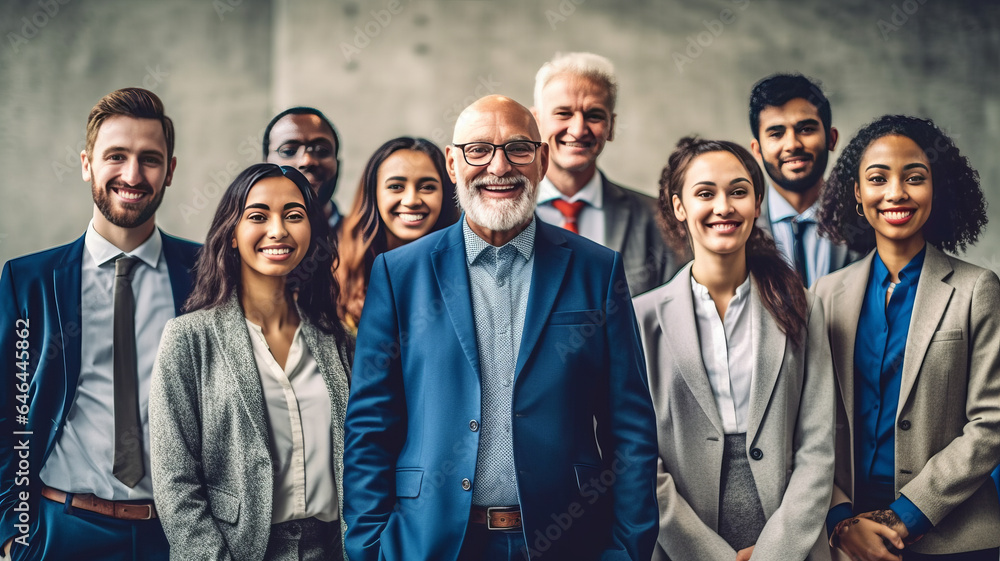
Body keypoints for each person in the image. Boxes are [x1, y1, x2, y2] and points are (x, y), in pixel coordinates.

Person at [342, 95, 658, 561]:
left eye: (518, 149)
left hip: (566, 542)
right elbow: (370, 425)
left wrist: (627, 550)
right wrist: (369, 546)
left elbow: (630, 428)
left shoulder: (597, 270)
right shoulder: (398, 274)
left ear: (543, 160)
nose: (499, 166)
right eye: (478, 150)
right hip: (429, 544)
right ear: (452, 163)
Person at [0, 88, 200, 560]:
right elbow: (6, 410)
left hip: (175, 538)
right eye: (117, 156)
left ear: (170, 171)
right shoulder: (28, 281)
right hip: (58, 531)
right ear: (88, 164)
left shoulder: (205, 273)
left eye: (149, 159)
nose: (132, 175)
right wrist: (12, 530)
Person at [634, 137, 835, 561]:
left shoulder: (803, 304)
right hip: (681, 543)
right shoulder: (641, 318)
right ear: (679, 207)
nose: (723, 206)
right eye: (705, 193)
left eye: (738, 191)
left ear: (757, 203)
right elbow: (637, 461)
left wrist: (774, 553)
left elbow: (817, 446)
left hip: (790, 541)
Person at [815, 115, 1000, 560]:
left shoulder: (978, 289)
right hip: (847, 537)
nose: (896, 193)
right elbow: (810, 424)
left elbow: (991, 423)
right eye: (878, 179)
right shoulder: (824, 294)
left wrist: (904, 517)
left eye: (914, 178)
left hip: (954, 538)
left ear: (937, 187)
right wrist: (841, 520)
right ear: (858, 193)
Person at [149, 163, 352, 560]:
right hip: (235, 551)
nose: (278, 230)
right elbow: (176, 484)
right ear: (231, 235)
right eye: (258, 216)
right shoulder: (188, 339)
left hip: (330, 549)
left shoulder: (339, 340)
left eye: (294, 216)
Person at [531, 51, 684, 296]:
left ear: (610, 127)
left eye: (594, 115)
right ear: (536, 122)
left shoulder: (657, 218)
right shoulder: (502, 215)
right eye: (563, 113)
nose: (578, 129)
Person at [749, 73, 861, 286]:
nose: (792, 144)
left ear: (831, 138)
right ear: (758, 150)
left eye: (806, 129)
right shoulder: (738, 225)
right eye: (776, 134)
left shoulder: (866, 218)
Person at [336, 137, 459, 330]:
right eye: (395, 186)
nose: (411, 200)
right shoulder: (335, 267)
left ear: (445, 195)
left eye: (427, 187)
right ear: (373, 194)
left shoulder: (464, 271)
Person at [264, 107, 344, 231]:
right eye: (289, 151)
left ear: (337, 165)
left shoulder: (370, 240)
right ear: (265, 165)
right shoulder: (242, 240)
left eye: (322, 150)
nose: (307, 160)